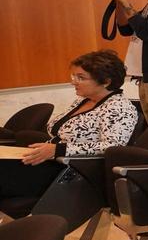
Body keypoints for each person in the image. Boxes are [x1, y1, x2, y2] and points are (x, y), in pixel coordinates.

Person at [0, 50, 137, 207]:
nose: (73, 81)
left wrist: (59, 150)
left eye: (81, 78)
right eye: (73, 76)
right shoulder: (83, 100)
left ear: (105, 81)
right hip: (55, 163)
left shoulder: (119, 107)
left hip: (75, 172)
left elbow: (113, 147)